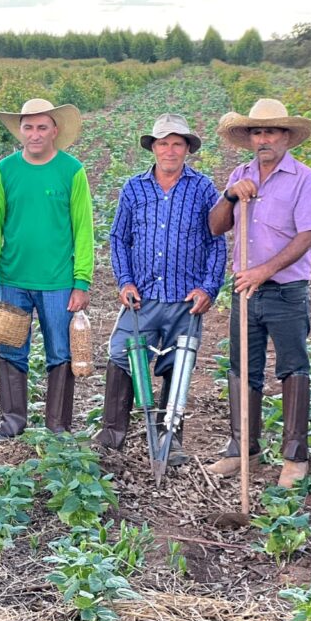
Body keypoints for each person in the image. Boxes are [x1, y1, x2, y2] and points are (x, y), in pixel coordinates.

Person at [206, 99, 311, 488]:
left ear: (286, 136)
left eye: (271, 131)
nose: (264, 138)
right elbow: (215, 226)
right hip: (245, 291)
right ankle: (244, 449)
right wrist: (229, 196)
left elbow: (306, 235)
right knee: (242, 369)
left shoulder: (305, 179)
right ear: (249, 138)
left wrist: (264, 270)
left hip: (286, 289)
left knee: (293, 368)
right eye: (257, 131)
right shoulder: (240, 175)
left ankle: (295, 456)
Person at [96, 114, 226, 464]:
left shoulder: (202, 188)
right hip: (144, 297)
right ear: (153, 148)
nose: (169, 150)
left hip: (185, 298)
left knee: (177, 364)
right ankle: (112, 435)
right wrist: (124, 280)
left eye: (177, 143)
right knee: (122, 353)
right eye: (163, 143)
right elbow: (119, 238)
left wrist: (209, 288)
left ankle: (172, 439)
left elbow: (216, 241)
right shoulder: (134, 188)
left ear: (187, 149)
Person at [0, 97, 93, 448]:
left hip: (58, 282)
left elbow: (83, 229)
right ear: (20, 131)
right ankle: (12, 422)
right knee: (12, 351)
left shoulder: (71, 171)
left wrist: (82, 280)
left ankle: (58, 427)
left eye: (42, 126)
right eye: (28, 127)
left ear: (55, 131)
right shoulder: (6, 170)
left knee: (60, 352)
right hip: (13, 278)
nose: (35, 133)